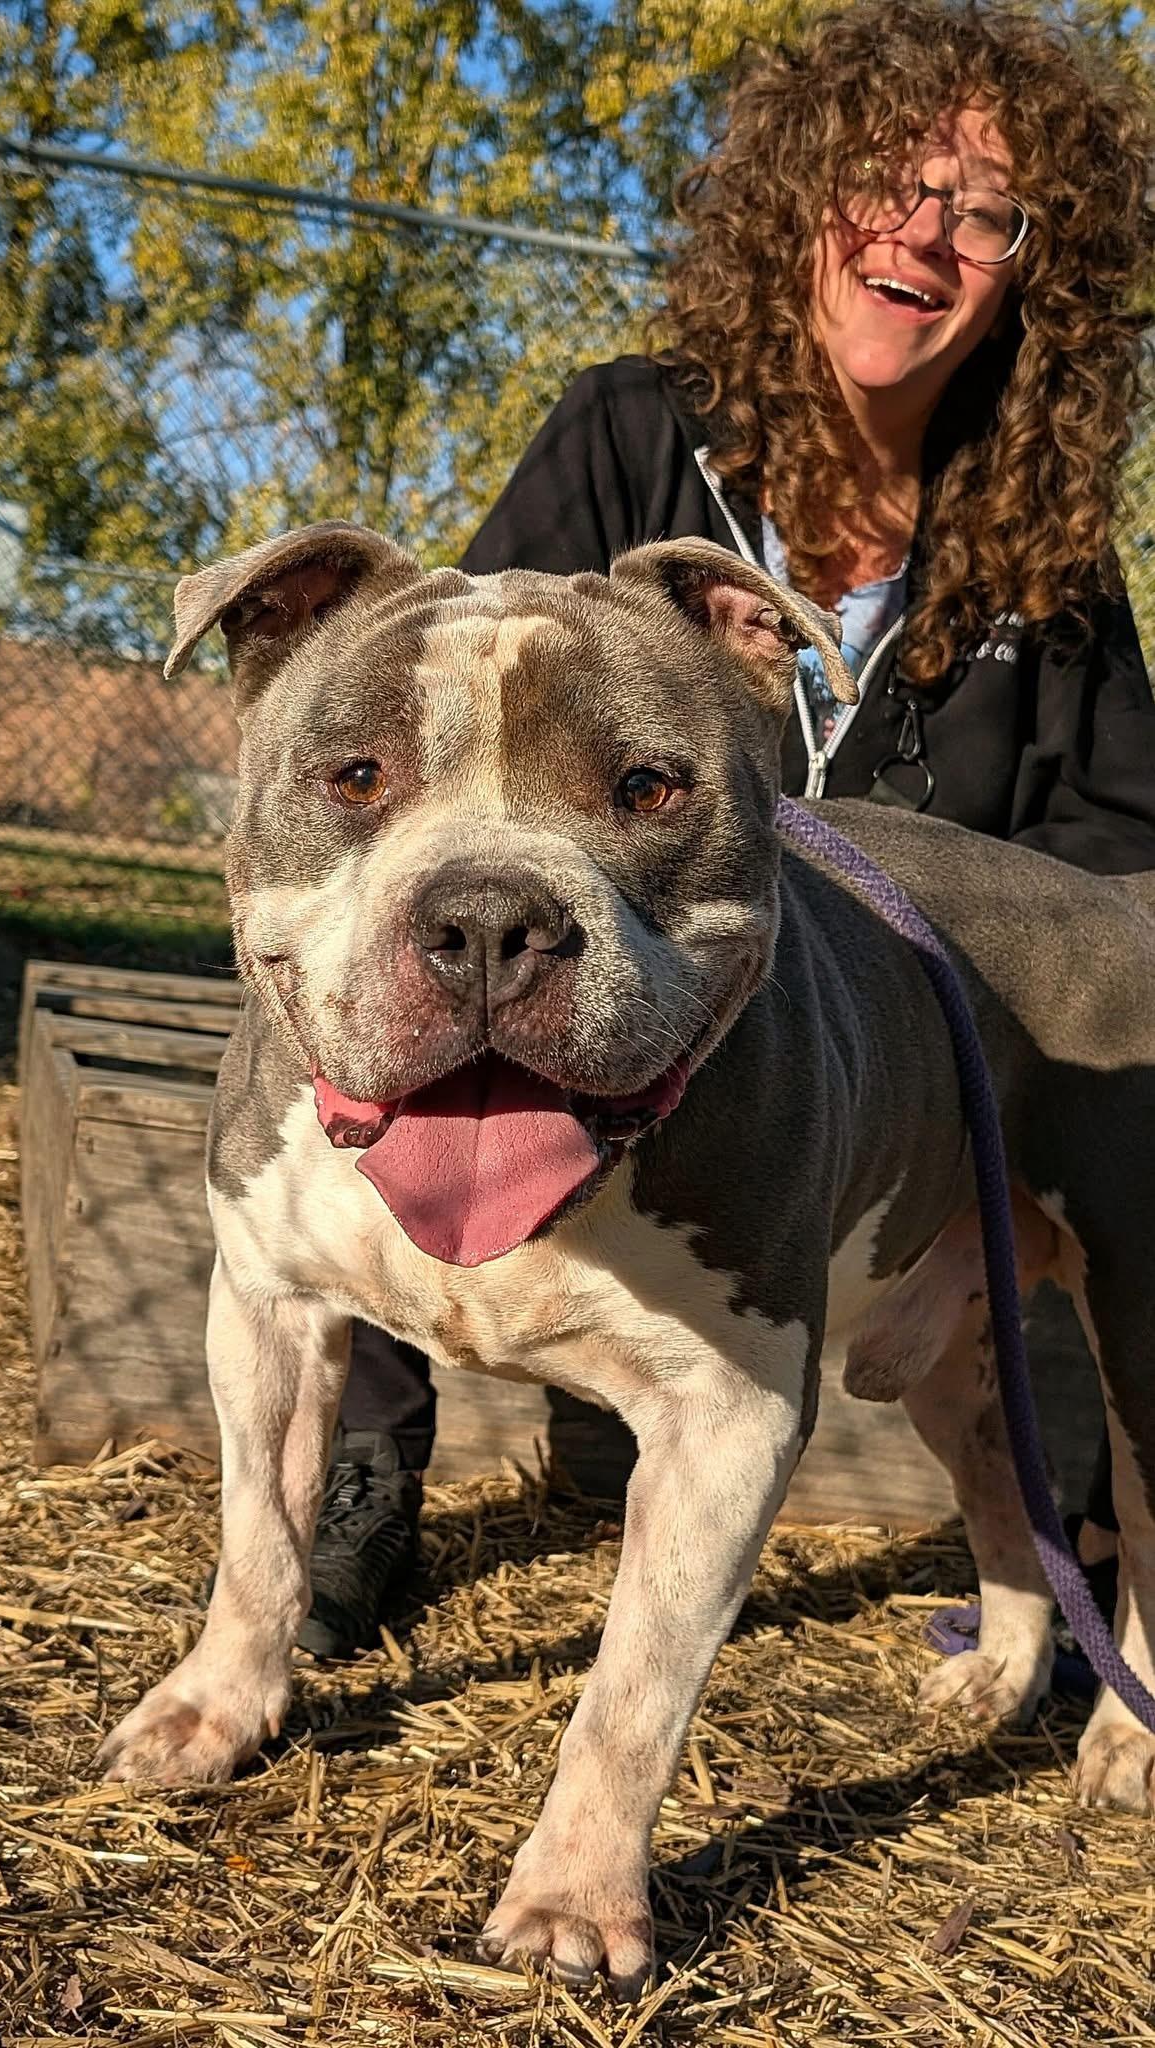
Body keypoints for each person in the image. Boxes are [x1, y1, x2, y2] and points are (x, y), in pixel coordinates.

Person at [299, 0, 1155, 1658]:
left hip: (859, 1092)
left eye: (986, 212)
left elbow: (1117, 850)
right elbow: (454, 730)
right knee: (424, 958)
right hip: (602, 986)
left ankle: (1091, 1519)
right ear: (798, 203)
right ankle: (367, 1464)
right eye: (887, 180)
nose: (924, 233)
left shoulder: (1041, 545)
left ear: (1029, 278)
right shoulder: (633, 431)